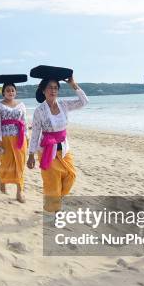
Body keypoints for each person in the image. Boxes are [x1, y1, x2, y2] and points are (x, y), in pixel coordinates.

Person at [27, 66, 88, 212]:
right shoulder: (39, 111)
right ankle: (55, 211)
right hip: (47, 150)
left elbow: (84, 102)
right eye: (50, 87)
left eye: (55, 88)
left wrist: (73, 84)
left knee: (71, 176)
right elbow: (35, 133)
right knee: (52, 184)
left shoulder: (64, 105)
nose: (53, 90)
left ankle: (54, 203)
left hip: (64, 149)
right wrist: (31, 155)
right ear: (43, 90)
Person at [0, 74, 29, 203]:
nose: (10, 92)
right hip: (5, 138)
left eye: (13, 90)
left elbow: (24, 121)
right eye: (7, 90)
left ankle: (20, 191)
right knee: (6, 162)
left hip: (20, 138)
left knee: (20, 163)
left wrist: (27, 138)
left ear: (16, 92)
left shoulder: (22, 105)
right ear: (3, 92)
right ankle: (2, 180)